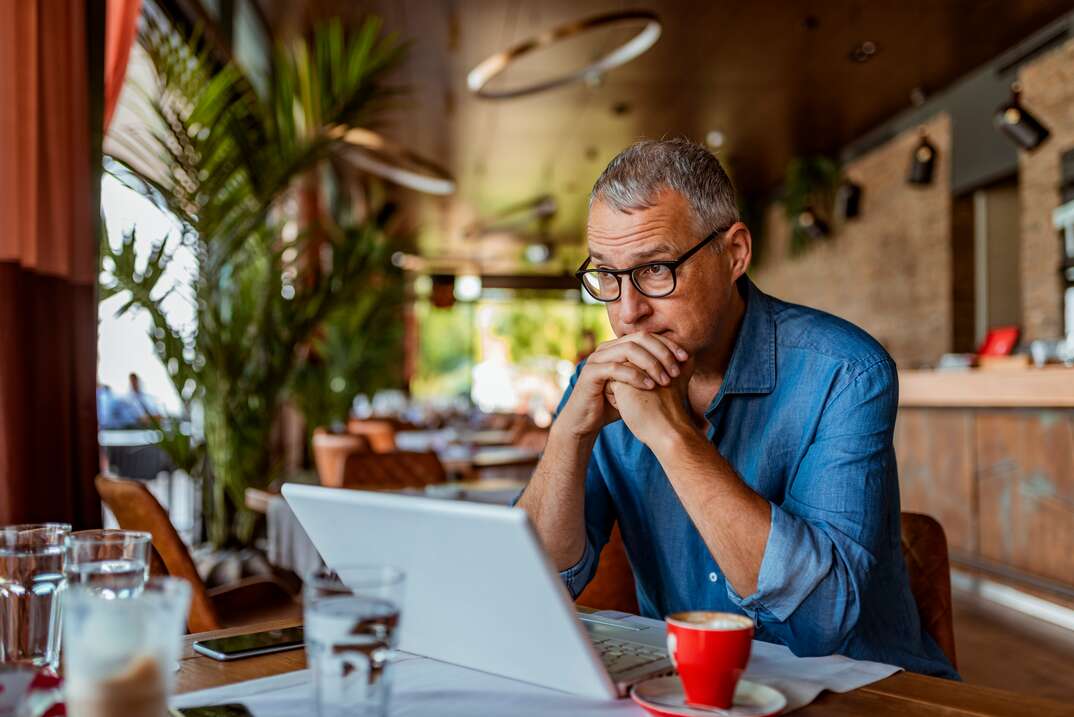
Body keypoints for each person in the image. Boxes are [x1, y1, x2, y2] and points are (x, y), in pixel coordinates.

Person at [516, 138, 957, 678]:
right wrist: (568, 434)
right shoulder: (602, 383)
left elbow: (820, 624)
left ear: (735, 253)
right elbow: (530, 590)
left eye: (656, 268)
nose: (628, 311)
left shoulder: (844, 371)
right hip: (691, 691)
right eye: (607, 275)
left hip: (860, 693)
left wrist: (673, 437)